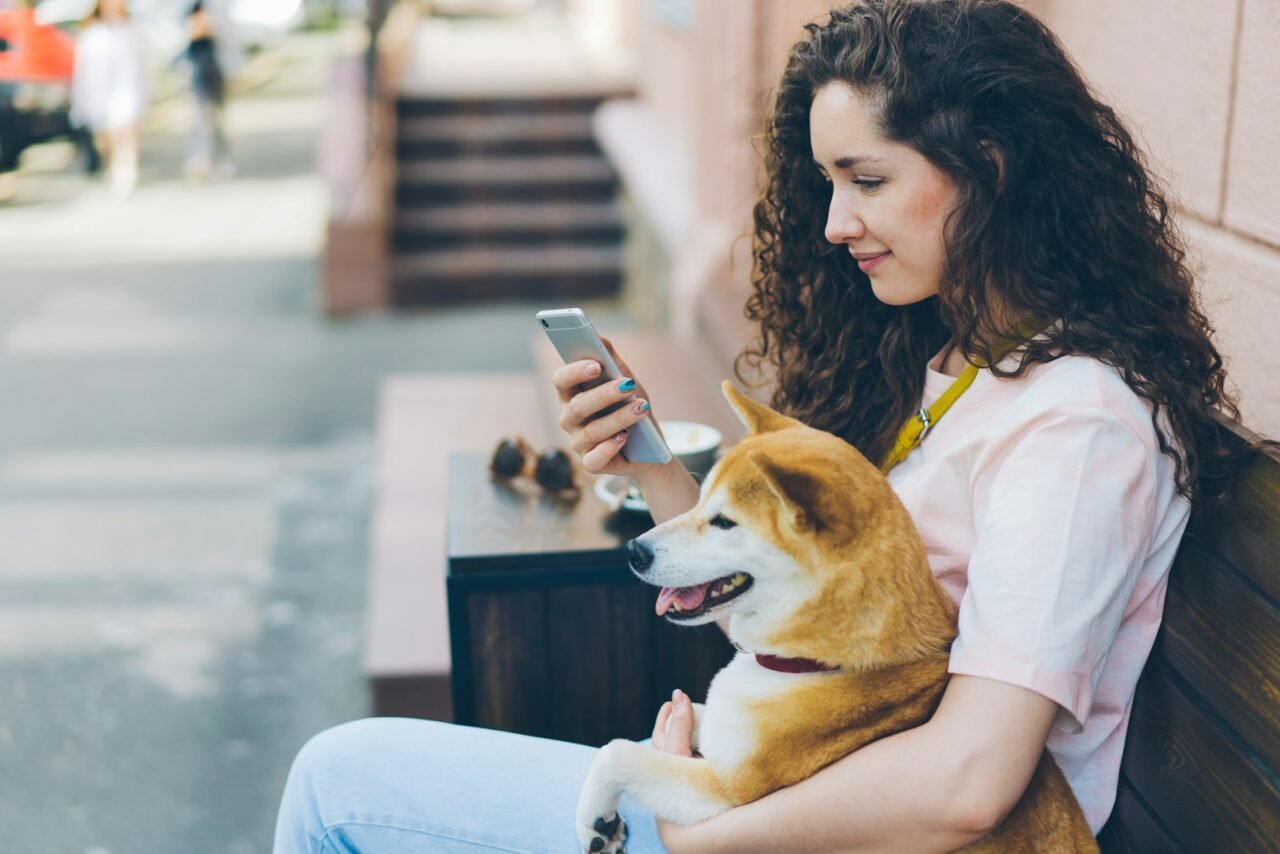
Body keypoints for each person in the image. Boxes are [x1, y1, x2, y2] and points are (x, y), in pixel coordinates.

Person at [272, 1, 1262, 851]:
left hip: (830, 824)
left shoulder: (1071, 426)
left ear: (988, 170)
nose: (833, 224)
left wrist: (701, 827)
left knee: (338, 781)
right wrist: (645, 454)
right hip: (787, 789)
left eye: (865, 180)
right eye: (827, 181)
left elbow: (969, 780)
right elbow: (811, 599)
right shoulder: (960, 365)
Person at [70, 0, 147, 196]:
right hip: (99, 94)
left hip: (126, 90)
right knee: (106, 137)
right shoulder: (91, 34)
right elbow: (82, 71)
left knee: (125, 129)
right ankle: (113, 166)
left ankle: (126, 170)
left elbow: (142, 66)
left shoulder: (131, 31)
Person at [182, 0, 229, 180]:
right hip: (195, 70)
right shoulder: (184, 7)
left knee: (217, 117)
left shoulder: (216, 6)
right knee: (199, 117)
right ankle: (200, 160)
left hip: (215, 68)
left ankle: (219, 159)